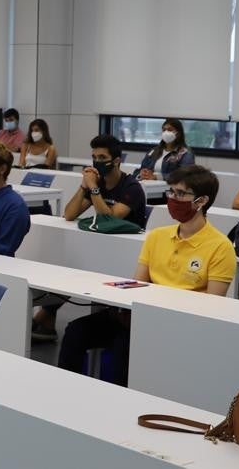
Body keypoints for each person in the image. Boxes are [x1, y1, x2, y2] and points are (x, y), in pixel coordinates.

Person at [56, 165, 234, 386]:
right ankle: (64, 390)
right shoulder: (157, 236)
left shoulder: (220, 247)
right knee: (76, 331)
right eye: (172, 192)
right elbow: (138, 283)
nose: (173, 199)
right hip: (143, 315)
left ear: (201, 201)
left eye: (181, 194)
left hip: (180, 323)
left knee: (124, 344)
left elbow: (213, 304)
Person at [33, 134, 147, 341]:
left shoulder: (132, 187)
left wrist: (94, 188)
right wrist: (84, 186)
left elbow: (109, 218)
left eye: (103, 157)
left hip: (126, 258)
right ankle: (47, 318)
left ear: (117, 161)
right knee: (67, 267)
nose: (97, 161)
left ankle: (45, 318)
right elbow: (69, 214)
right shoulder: (98, 183)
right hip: (102, 248)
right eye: (94, 156)